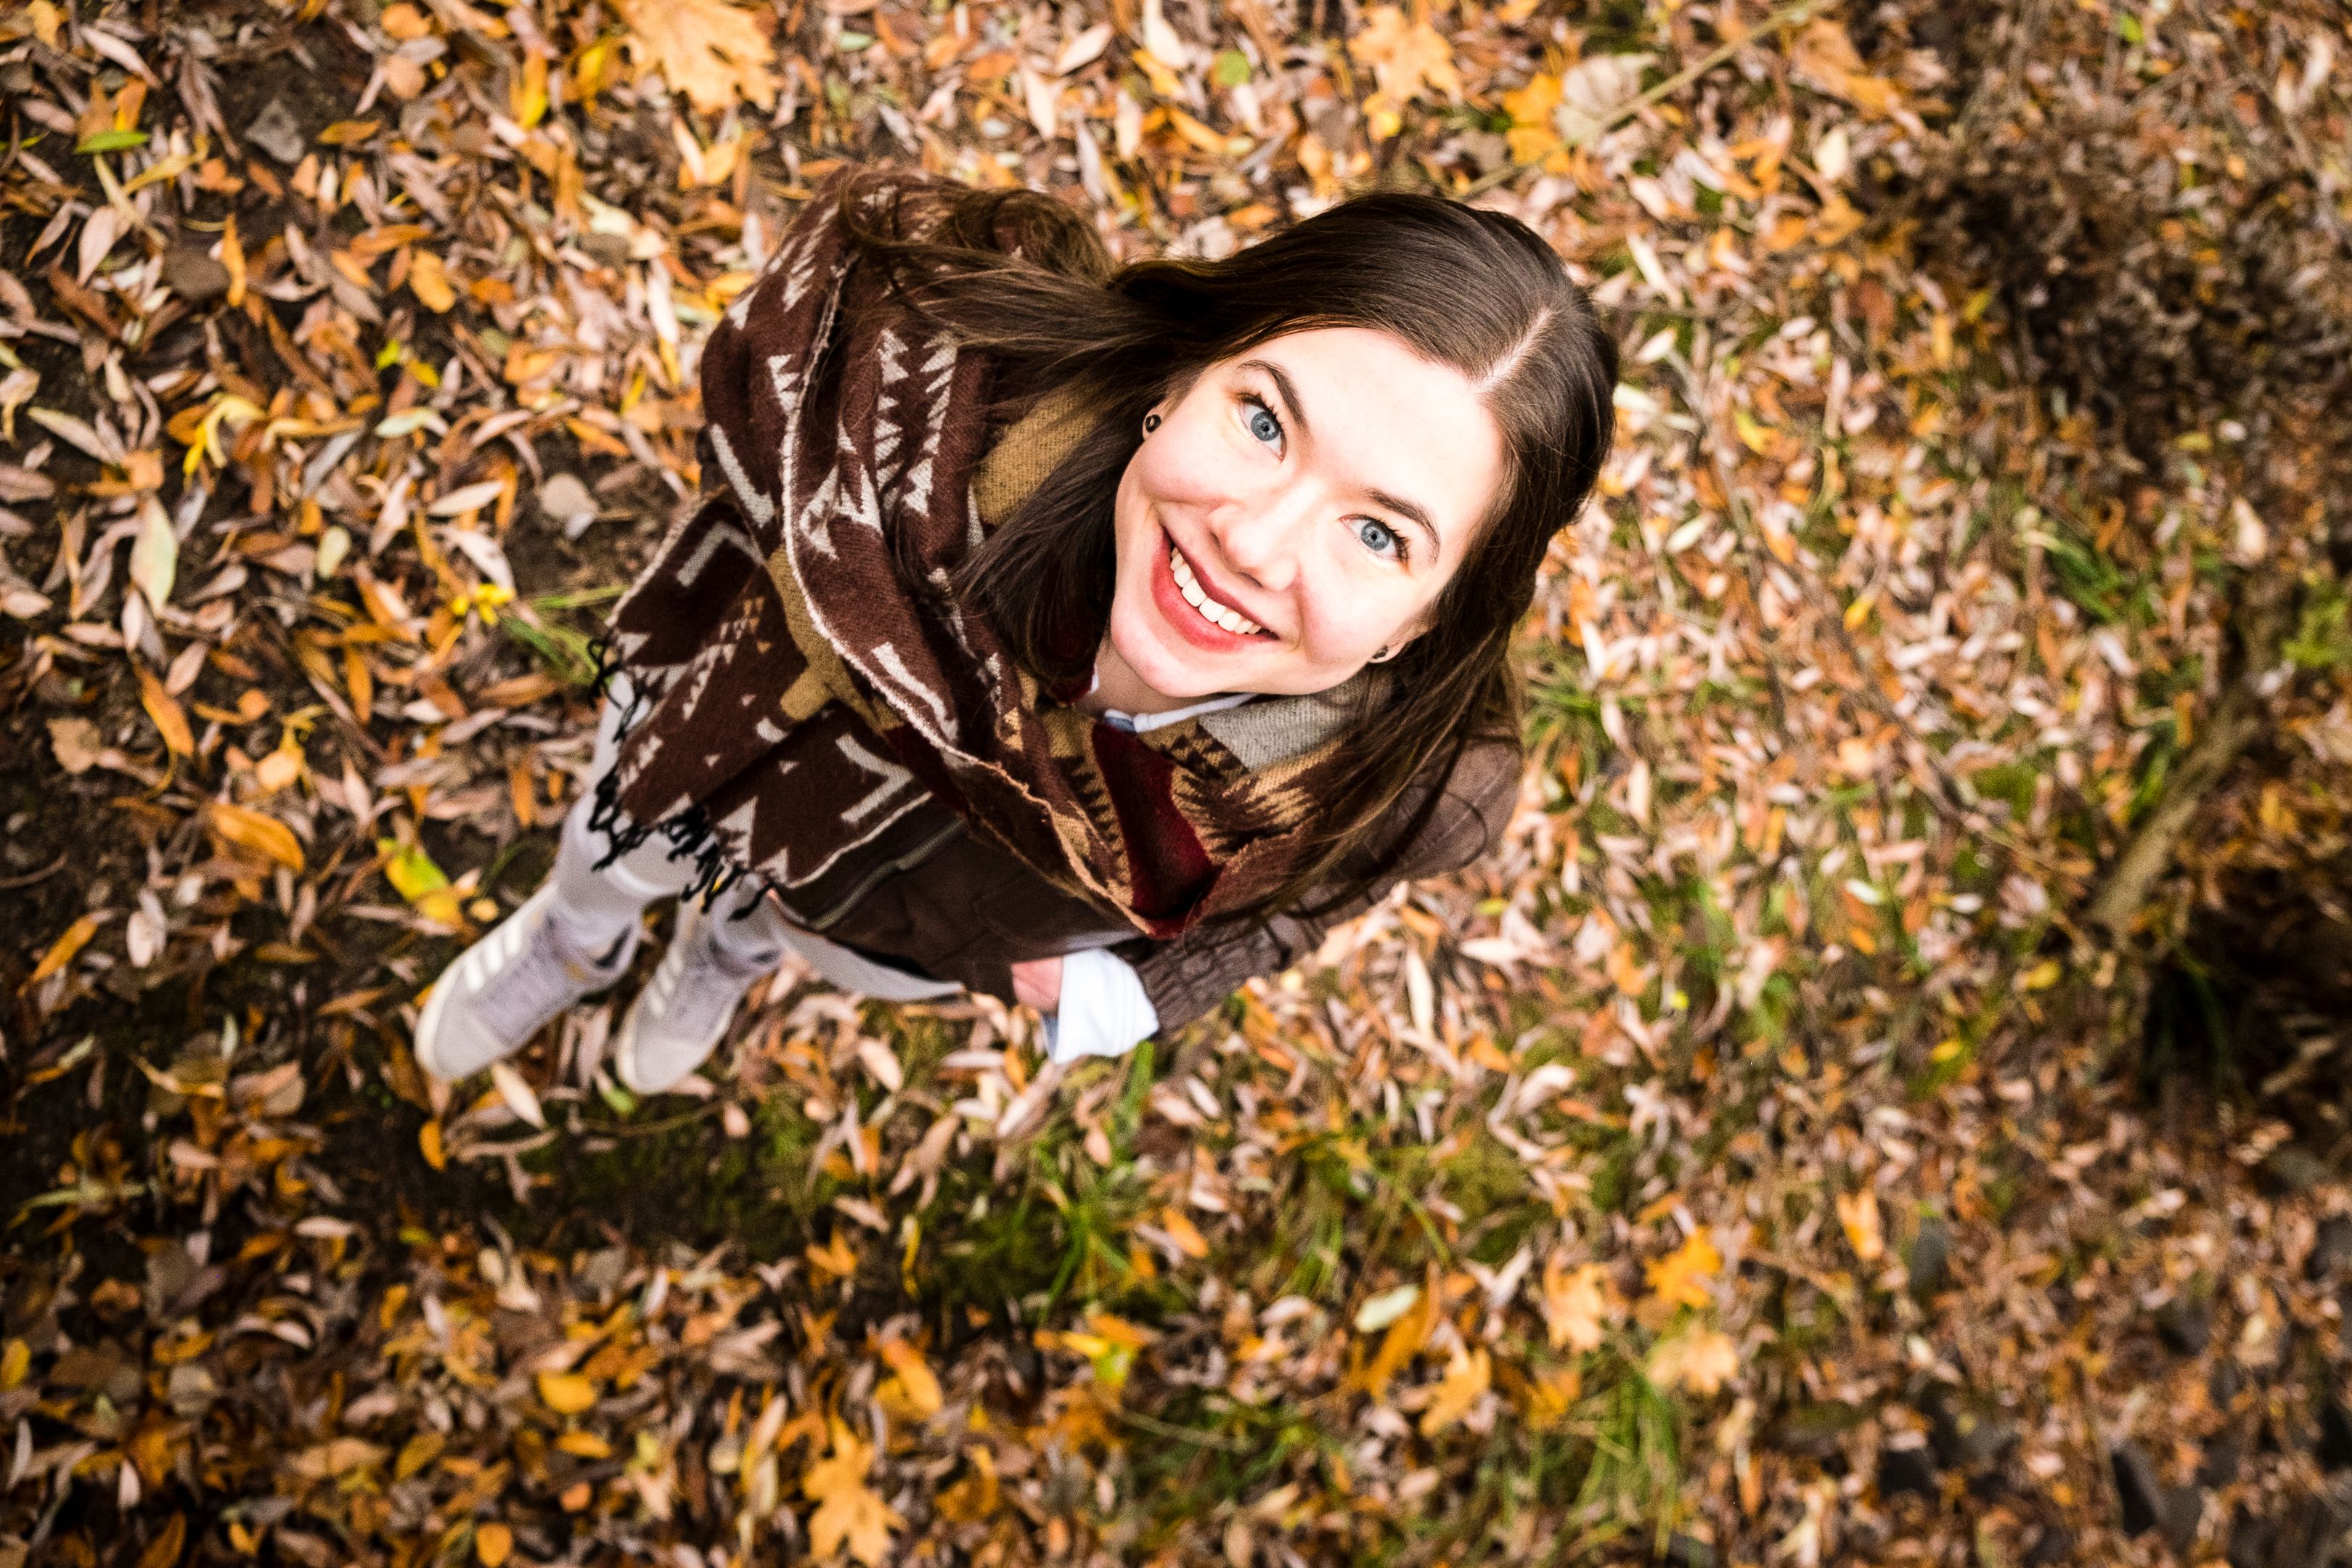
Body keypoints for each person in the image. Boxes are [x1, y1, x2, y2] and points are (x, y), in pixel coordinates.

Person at [412, 168, 1617, 1095]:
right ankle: (574, 938)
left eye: (1380, 534)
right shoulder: (919, 443)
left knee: (772, 928)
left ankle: (731, 954)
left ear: (1427, 619)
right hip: (713, 743)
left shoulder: (1411, 779)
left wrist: (1135, 996)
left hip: (907, 936)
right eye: (1264, 422)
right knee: (618, 849)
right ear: (1184, 380)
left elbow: (1315, 900)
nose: (1255, 545)